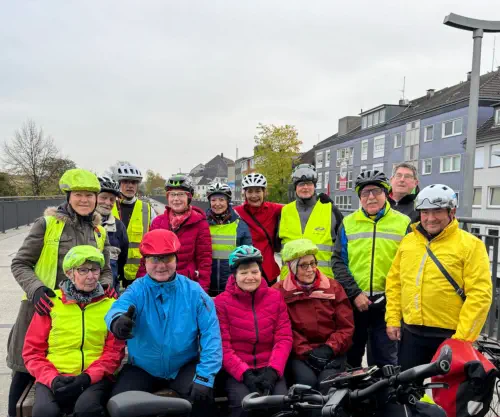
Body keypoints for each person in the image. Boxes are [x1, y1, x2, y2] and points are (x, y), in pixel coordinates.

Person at [7, 168, 113, 417]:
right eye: (78, 194)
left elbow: (107, 269)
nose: (84, 200)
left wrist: (106, 285)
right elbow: (20, 263)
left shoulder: (99, 231)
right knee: (24, 374)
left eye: (89, 195)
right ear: (68, 196)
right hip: (41, 308)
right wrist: (36, 289)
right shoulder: (47, 225)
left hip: (80, 312)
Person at [106, 229, 222, 416]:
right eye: (154, 259)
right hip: (142, 368)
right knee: (119, 404)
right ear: (145, 261)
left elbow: (212, 336)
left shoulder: (194, 292)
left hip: (183, 367)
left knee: (203, 401)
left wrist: (205, 376)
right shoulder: (136, 289)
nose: (161, 265)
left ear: (176, 259)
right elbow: (116, 309)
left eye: (167, 258)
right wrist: (117, 321)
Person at [385, 184, 492, 370]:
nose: (430, 218)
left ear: (452, 212)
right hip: (411, 332)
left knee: (446, 389)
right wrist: (393, 319)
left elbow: (480, 295)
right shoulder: (408, 241)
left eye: (437, 211)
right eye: (425, 212)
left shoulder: (471, 245)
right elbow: (395, 282)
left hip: (450, 335)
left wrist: (461, 339)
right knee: (407, 386)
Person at [23, 246, 125, 417]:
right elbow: (32, 352)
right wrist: (52, 379)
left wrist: (87, 377)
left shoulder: (110, 306)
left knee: (87, 409)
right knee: (45, 412)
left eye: (95, 269)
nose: (91, 276)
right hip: (54, 376)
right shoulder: (51, 303)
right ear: (69, 273)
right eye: (83, 270)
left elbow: (114, 352)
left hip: (95, 378)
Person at [332, 170, 410, 369]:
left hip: (387, 304)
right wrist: (355, 293)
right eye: (365, 193)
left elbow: (410, 265)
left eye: (376, 191)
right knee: (351, 359)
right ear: (360, 197)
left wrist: (393, 298)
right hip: (354, 302)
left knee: (385, 362)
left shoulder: (403, 223)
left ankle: (381, 390)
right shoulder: (348, 223)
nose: (371, 197)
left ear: (386, 194)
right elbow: (338, 262)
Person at [215, 246, 292, 417]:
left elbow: (284, 338)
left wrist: (273, 371)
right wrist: (244, 374)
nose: (250, 277)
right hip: (238, 371)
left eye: (255, 272)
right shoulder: (221, 303)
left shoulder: (275, 297)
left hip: (270, 367)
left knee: (282, 405)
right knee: (244, 406)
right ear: (234, 275)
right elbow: (223, 346)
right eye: (243, 272)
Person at [274, 239, 354, 393]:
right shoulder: (279, 292)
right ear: (292, 267)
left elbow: (346, 326)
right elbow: (283, 329)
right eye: (303, 265)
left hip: (332, 351)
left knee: (328, 384)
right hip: (300, 354)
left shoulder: (333, 288)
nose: (310, 269)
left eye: (313, 263)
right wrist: (306, 352)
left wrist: (329, 348)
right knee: (306, 384)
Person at [137, 174, 212, 292]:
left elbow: (204, 261)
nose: (176, 199)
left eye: (181, 194)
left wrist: (202, 291)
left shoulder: (200, 223)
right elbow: (147, 257)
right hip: (159, 282)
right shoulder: (158, 222)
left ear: (189, 197)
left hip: (185, 286)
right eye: (172, 194)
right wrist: (140, 285)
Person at [276, 164, 343, 279]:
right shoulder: (285, 211)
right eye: (301, 184)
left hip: (322, 280)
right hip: (290, 280)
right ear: (295, 187)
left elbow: (344, 246)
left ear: (314, 186)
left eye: (309, 184)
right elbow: (276, 244)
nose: (305, 187)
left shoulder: (329, 209)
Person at [234, 173, 283, 285]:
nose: (254, 195)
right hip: (246, 268)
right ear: (244, 193)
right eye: (250, 191)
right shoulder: (237, 212)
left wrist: (318, 202)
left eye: (258, 191)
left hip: (268, 269)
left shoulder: (273, 209)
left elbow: (295, 208)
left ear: (264, 192)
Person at [111, 163, 155, 286]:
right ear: (118, 183)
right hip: (112, 273)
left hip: (139, 276)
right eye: (126, 182)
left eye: (134, 182)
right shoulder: (108, 207)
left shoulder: (147, 209)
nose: (130, 185)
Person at [206, 183, 252, 296]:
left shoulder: (240, 225)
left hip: (232, 285)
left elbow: (248, 258)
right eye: (213, 200)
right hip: (207, 285)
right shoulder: (202, 224)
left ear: (228, 201)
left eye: (221, 200)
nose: (217, 204)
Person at [97, 176, 129, 292]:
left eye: (112, 199)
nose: (108, 203)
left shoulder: (119, 227)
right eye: (103, 197)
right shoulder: (81, 224)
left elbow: (122, 259)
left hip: (110, 291)